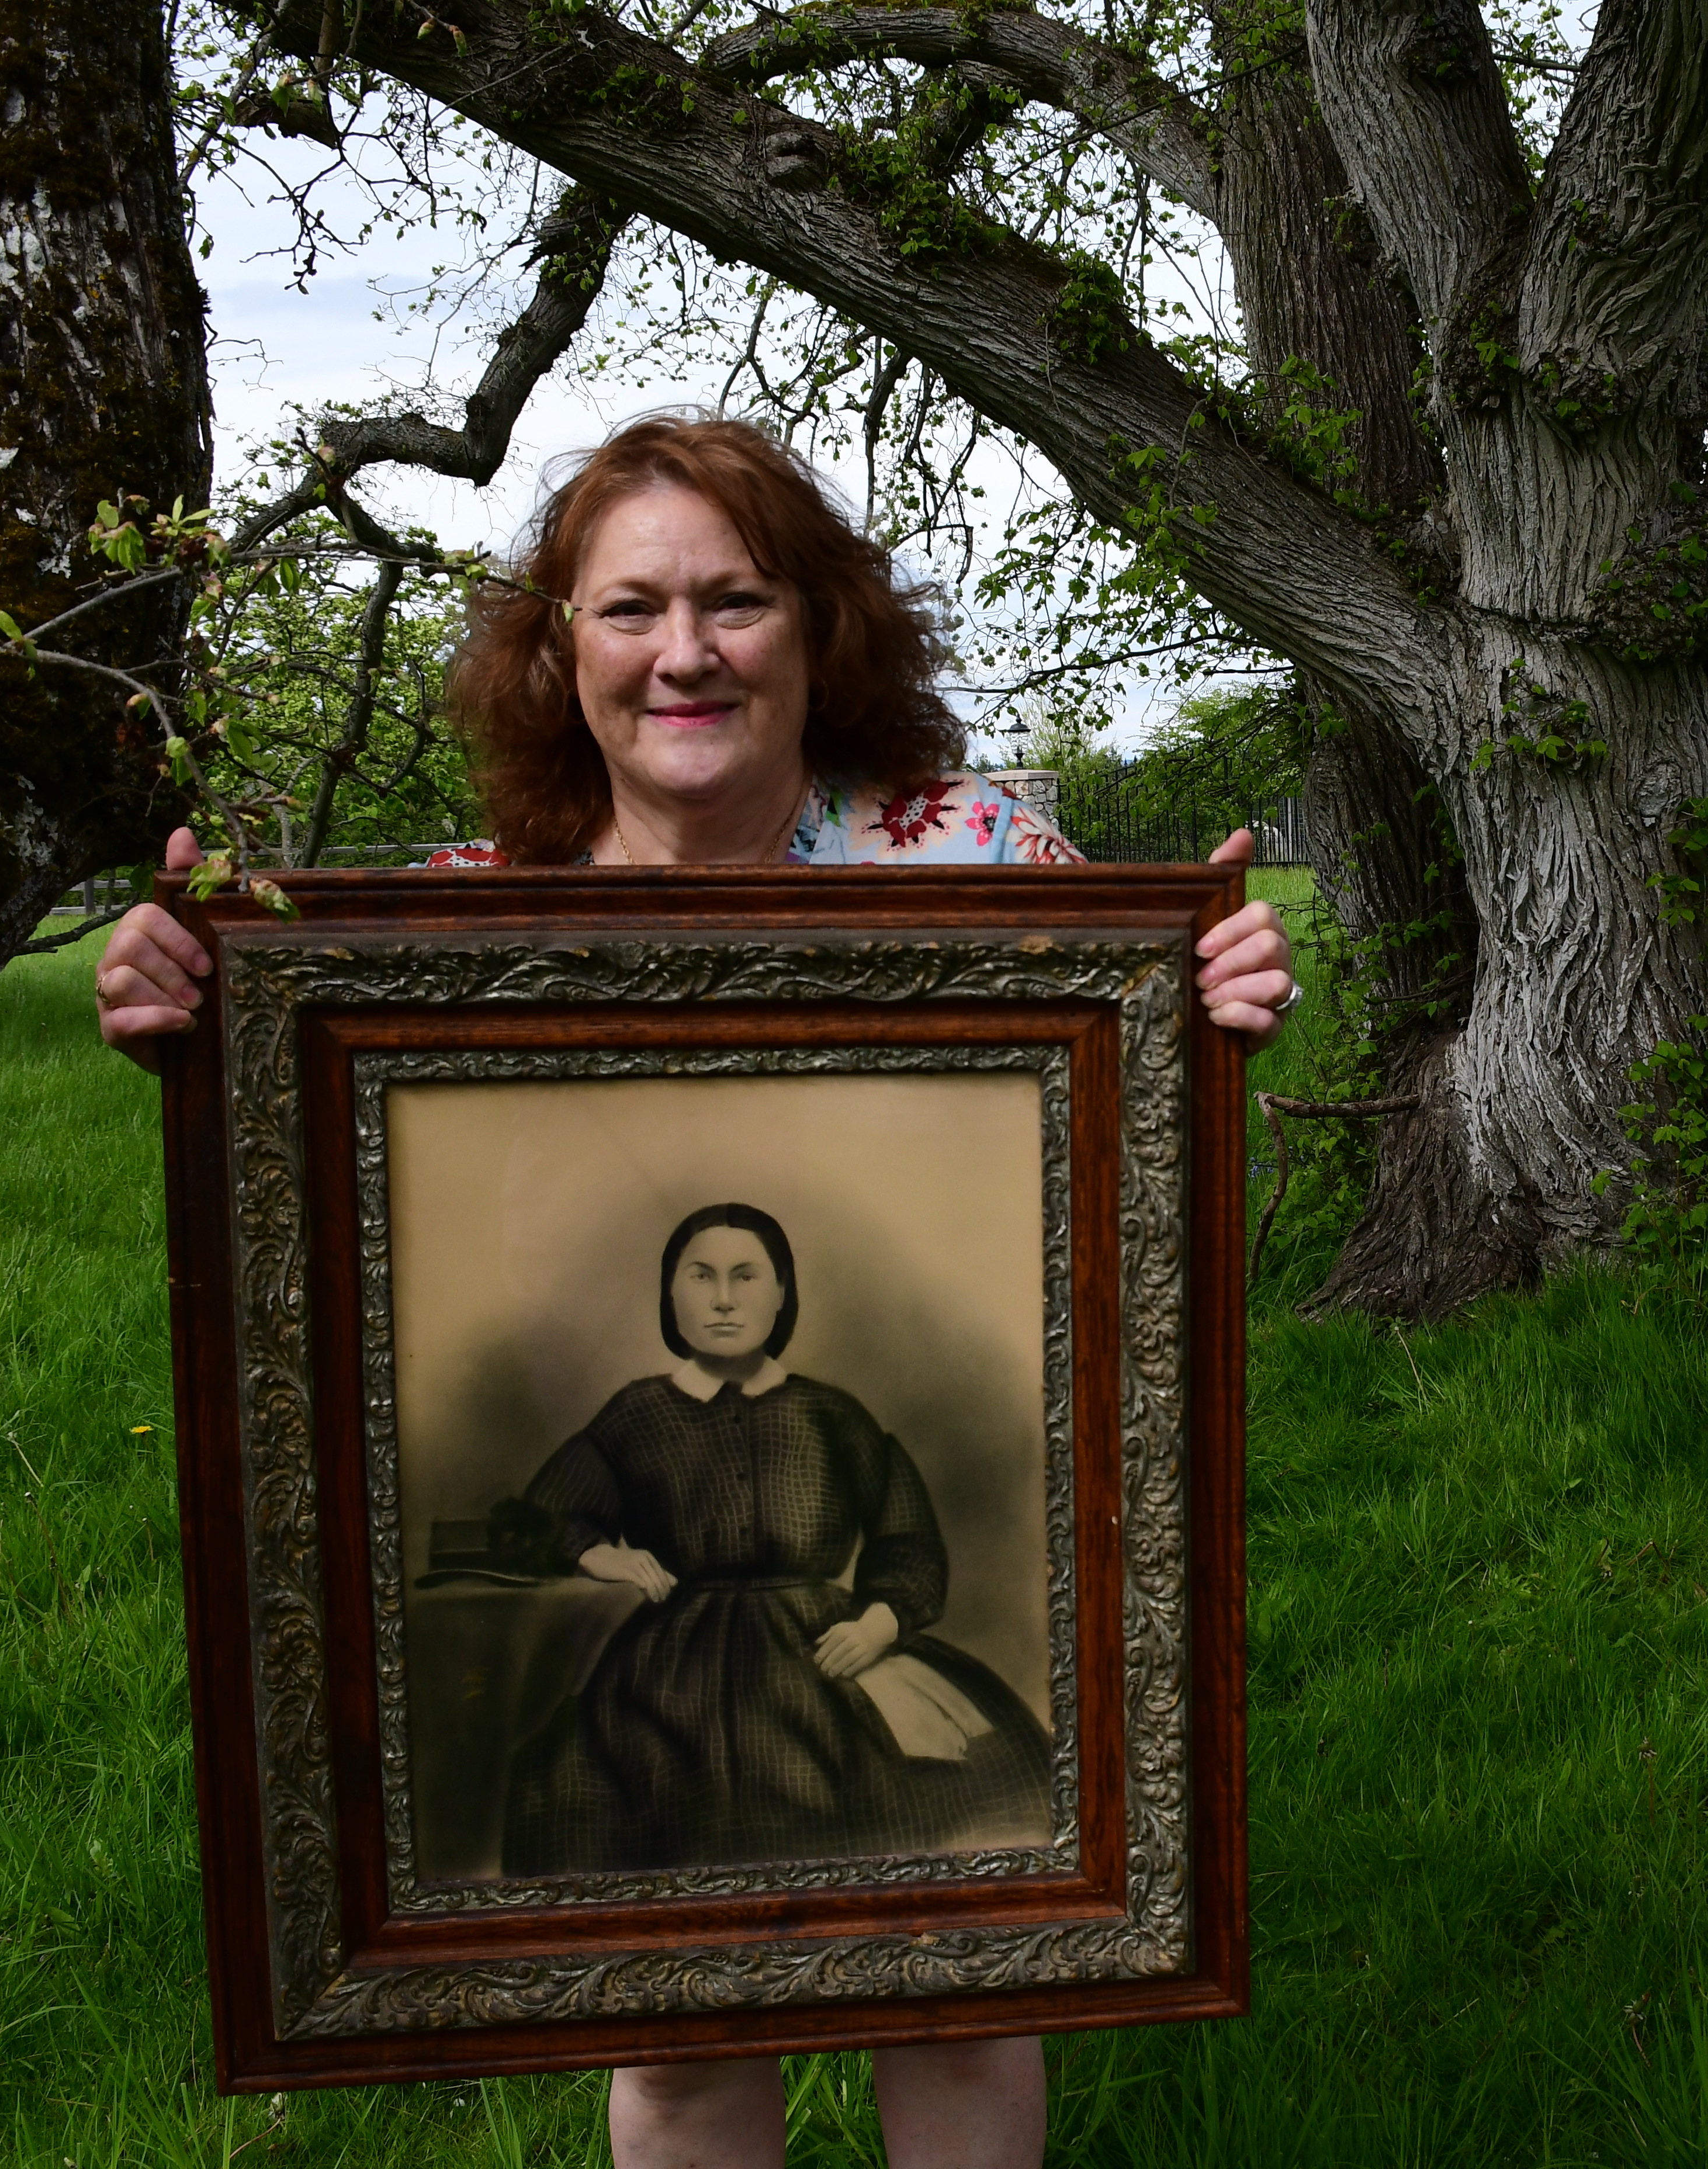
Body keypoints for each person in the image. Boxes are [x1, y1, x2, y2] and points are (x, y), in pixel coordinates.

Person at [93, 413, 1295, 2169]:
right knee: (669, 2027)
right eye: (628, 608)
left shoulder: (981, 876)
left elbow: (1114, 1209)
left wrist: (1206, 1021)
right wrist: (201, 1037)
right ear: (555, 646)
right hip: (666, 1685)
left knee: (963, 1994)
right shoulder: (440, 939)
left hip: (871, 1637)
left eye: (735, 603)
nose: (683, 654)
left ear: (816, 630)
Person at [503, 1201, 1054, 1877]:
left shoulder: (833, 1415)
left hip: (825, 1648)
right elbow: (543, 1514)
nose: (726, 1300)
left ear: (783, 1292)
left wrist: (880, 1622)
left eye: (748, 1277)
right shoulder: (635, 1415)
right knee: (623, 1798)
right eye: (702, 1277)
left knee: (938, 1791)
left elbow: (907, 1538)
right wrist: (602, 1554)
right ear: (670, 1294)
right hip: (670, 1669)